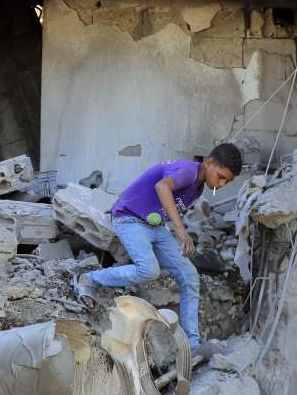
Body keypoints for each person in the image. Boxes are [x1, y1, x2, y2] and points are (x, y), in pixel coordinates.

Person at [73, 143, 243, 353]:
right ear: (208, 162)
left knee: (189, 274)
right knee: (148, 270)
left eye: (227, 180)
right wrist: (180, 229)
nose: (222, 183)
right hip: (130, 219)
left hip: (154, 225)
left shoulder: (198, 186)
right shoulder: (189, 171)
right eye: (220, 176)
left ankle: (193, 345)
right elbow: (162, 187)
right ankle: (88, 279)